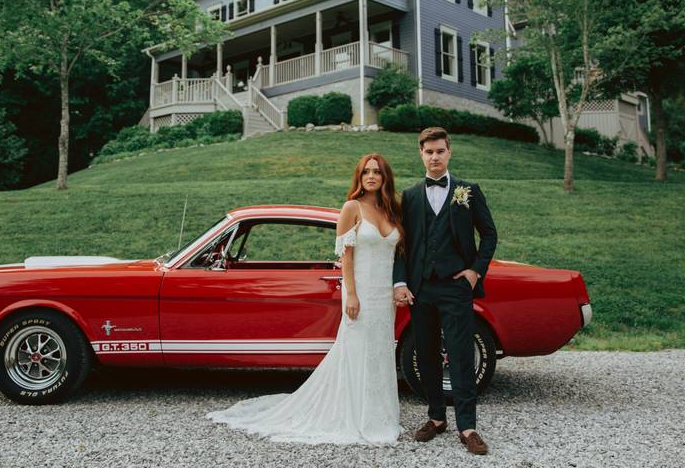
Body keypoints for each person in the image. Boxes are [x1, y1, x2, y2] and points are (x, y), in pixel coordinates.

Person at [207, 153, 403, 445]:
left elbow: (398, 253)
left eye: (377, 172)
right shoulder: (352, 208)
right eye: (366, 172)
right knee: (357, 352)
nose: (371, 177)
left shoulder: (392, 211)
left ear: (386, 177)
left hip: (385, 297)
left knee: (381, 353)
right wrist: (351, 295)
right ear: (359, 178)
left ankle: (381, 415)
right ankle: (356, 416)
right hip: (360, 293)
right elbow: (346, 258)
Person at [393, 127, 497, 455]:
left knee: (462, 355)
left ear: (449, 152)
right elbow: (401, 244)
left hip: (455, 287)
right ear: (421, 154)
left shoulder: (468, 190)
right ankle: (436, 418)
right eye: (429, 152)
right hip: (421, 289)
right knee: (425, 355)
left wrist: (474, 272)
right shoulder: (409, 196)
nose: (434, 157)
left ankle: (468, 426)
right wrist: (400, 282)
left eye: (440, 151)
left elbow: (489, 235)